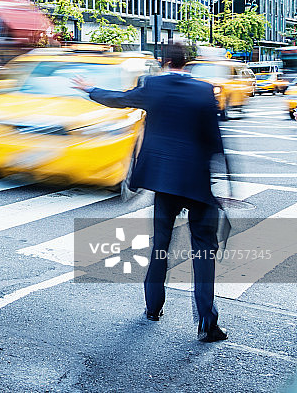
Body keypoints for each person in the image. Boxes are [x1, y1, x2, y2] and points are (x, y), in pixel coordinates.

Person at [72, 43, 228, 343]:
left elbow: (120, 100)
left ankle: (153, 307)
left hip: (165, 183)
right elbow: (215, 139)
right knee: (204, 251)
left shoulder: (152, 85)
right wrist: (229, 184)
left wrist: (90, 88)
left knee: (161, 245)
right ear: (187, 62)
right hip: (197, 183)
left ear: (164, 61)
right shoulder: (204, 90)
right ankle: (207, 321)